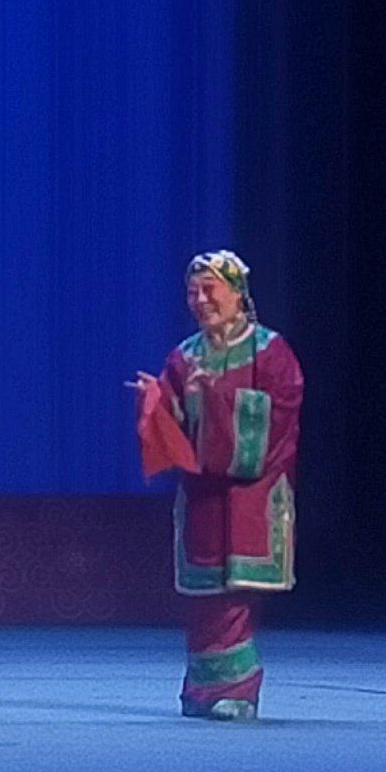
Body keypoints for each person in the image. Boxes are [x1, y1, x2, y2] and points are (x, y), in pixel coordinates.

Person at [133, 251, 302, 721]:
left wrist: (217, 397)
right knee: (206, 594)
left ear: (238, 294)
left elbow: (281, 408)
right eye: (193, 292)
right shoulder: (185, 356)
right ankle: (203, 687)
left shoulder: (270, 352)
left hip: (253, 490)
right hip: (204, 492)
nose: (201, 300)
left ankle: (236, 691)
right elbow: (174, 420)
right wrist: (156, 401)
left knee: (234, 596)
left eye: (210, 289)